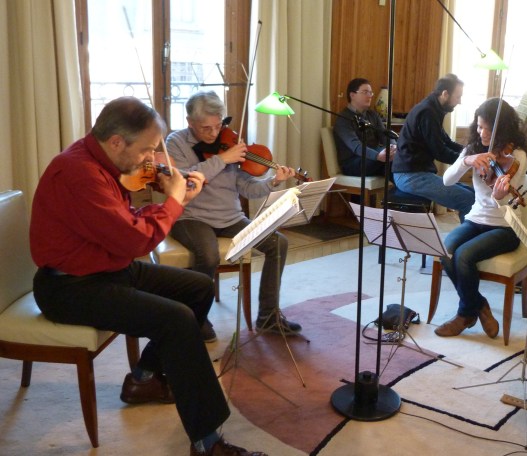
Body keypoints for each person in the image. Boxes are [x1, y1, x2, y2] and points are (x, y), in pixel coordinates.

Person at [30, 96, 266, 456]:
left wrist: (174, 200)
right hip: (69, 286)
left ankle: (144, 379)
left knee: (199, 287)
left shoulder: (101, 160)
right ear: (116, 142)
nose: (152, 158)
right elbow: (134, 240)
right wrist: (174, 201)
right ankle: (207, 443)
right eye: (147, 149)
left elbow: (124, 224)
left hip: (106, 266)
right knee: (176, 320)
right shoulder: (79, 173)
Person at [165, 90, 301, 338]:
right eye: (206, 128)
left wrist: (273, 182)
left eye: (218, 126)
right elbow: (185, 181)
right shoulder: (176, 142)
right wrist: (222, 159)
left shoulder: (229, 140)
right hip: (191, 217)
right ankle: (196, 319)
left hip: (230, 217)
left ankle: (268, 317)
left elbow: (247, 188)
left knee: (278, 243)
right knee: (208, 255)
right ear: (190, 122)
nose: (214, 133)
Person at [434, 97, 527, 338]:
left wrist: (499, 196)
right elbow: (447, 180)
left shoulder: (517, 156)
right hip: (475, 219)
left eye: (487, 128)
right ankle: (479, 305)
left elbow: (507, 204)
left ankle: (465, 314)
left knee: (464, 256)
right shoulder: (474, 149)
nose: (482, 132)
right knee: (445, 251)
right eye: (479, 126)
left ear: (502, 128)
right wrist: (467, 160)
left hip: (505, 227)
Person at [392, 73, 475, 222]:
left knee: (473, 194)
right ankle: (468, 236)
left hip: (416, 173)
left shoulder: (433, 108)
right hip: (410, 176)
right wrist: (469, 160)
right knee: (469, 199)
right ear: (445, 94)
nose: (459, 102)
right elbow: (440, 152)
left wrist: (470, 152)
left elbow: (446, 141)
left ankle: (470, 234)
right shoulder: (427, 112)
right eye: (458, 97)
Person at [333, 77, 396, 176]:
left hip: (373, 157)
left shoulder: (372, 114)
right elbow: (356, 146)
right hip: (353, 163)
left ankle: (407, 184)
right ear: (352, 95)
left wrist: (393, 147)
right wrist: (378, 155)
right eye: (365, 92)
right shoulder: (343, 118)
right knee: (392, 162)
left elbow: (384, 135)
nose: (369, 96)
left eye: (370, 93)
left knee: (396, 163)